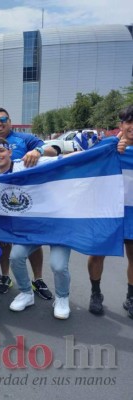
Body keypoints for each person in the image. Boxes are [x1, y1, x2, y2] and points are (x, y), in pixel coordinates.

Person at [0, 138, 66, 318]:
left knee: (58, 266)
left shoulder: (28, 163)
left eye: (1, 151)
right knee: (16, 257)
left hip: (57, 223)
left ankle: (62, 297)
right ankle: (26, 293)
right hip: (32, 230)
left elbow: (63, 157)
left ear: (10, 152)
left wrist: (39, 151)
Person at [0, 107, 56, 294]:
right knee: (4, 243)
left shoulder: (25, 139)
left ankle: (37, 279)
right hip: (0, 205)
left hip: (26, 203)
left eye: (2, 119)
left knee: (33, 243)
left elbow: (53, 151)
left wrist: (38, 151)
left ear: (10, 120)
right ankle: (5, 276)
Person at [87, 105, 133, 317]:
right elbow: (83, 164)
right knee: (97, 254)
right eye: (129, 122)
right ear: (121, 125)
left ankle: (130, 297)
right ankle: (96, 293)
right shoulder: (108, 145)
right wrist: (111, 154)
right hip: (106, 210)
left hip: (131, 213)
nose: (132, 127)